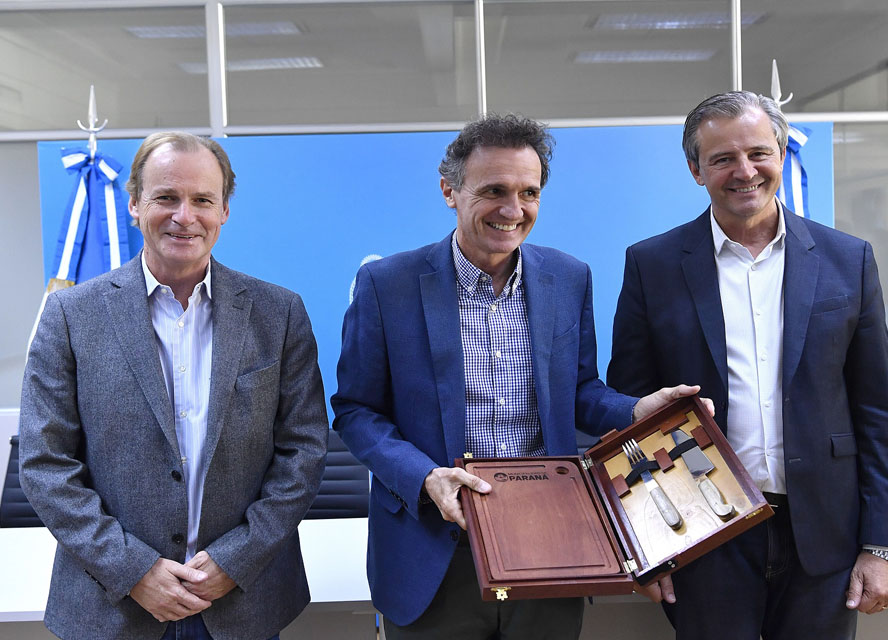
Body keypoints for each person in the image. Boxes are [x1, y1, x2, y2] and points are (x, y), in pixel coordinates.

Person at [332, 113, 706, 639]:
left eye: (529, 193)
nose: (513, 210)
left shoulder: (568, 277)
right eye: (493, 191)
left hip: (548, 544)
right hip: (435, 548)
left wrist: (636, 411)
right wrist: (425, 477)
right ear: (450, 191)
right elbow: (356, 411)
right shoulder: (386, 284)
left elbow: (579, 392)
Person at [607, 91, 888, 639]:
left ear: (781, 154)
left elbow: (878, 412)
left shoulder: (848, 259)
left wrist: (884, 546)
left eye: (758, 153)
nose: (744, 171)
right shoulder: (652, 265)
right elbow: (630, 413)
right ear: (696, 170)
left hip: (826, 535)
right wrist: (644, 542)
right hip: (704, 529)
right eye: (723, 158)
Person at [19, 132, 328, 640]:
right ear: (134, 204)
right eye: (166, 197)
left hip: (241, 603)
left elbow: (304, 451)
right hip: (113, 607)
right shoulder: (70, 316)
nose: (184, 216)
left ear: (224, 210)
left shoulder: (279, 314)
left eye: (202, 200)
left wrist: (235, 559)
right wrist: (132, 570)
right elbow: (45, 462)